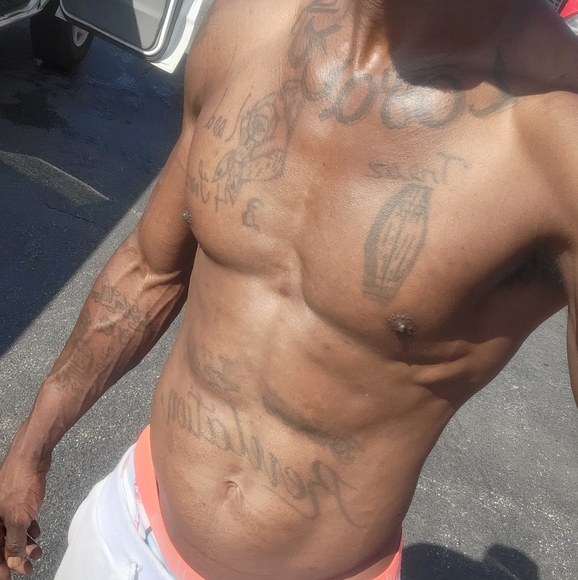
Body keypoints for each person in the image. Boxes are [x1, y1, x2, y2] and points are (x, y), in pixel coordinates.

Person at [1, 0, 577, 578]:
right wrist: (32, 445)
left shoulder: (560, 134)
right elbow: (149, 270)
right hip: (129, 524)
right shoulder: (248, 22)